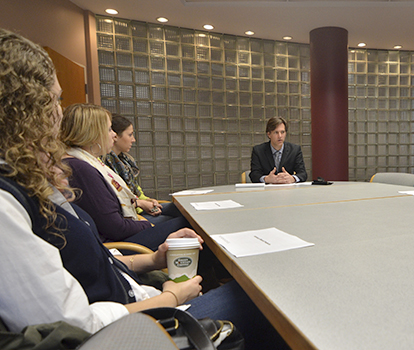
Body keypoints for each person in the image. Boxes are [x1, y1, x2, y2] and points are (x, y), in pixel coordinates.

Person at [0, 29, 286, 349]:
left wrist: (152, 261)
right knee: (269, 301)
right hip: (133, 329)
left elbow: (87, 260)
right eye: (55, 100)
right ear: (25, 113)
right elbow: (73, 327)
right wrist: (170, 296)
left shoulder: (25, 183)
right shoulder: (8, 203)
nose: (59, 113)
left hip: (134, 291)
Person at [60, 103, 190, 250]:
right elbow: (115, 228)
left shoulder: (84, 163)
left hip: (120, 236)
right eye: (109, 129)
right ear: (93, 133)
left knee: (184, 219)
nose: (114, 135)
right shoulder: (82, 169)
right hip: (119, 246)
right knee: (189, 225)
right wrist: (147, 224)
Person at [103, 114, 182, 224]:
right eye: (130, 135)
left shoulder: (124, 161)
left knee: (182, 210)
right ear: (116, 136)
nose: (133, 140)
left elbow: (137, 192)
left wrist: (149, 201)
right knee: (182, 221)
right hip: (132, 215)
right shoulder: (103, 165)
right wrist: (140, 203)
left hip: (139, 208)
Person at [250, 116, 307, 184]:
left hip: (288, 191)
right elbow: (254, 175)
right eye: (276, 132)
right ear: (269, 134)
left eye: (282, 132)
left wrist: (292, 178)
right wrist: (267, 179)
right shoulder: (258, 151)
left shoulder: (295, 150)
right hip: (266, 191)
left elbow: (303, 173)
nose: (280, 136)